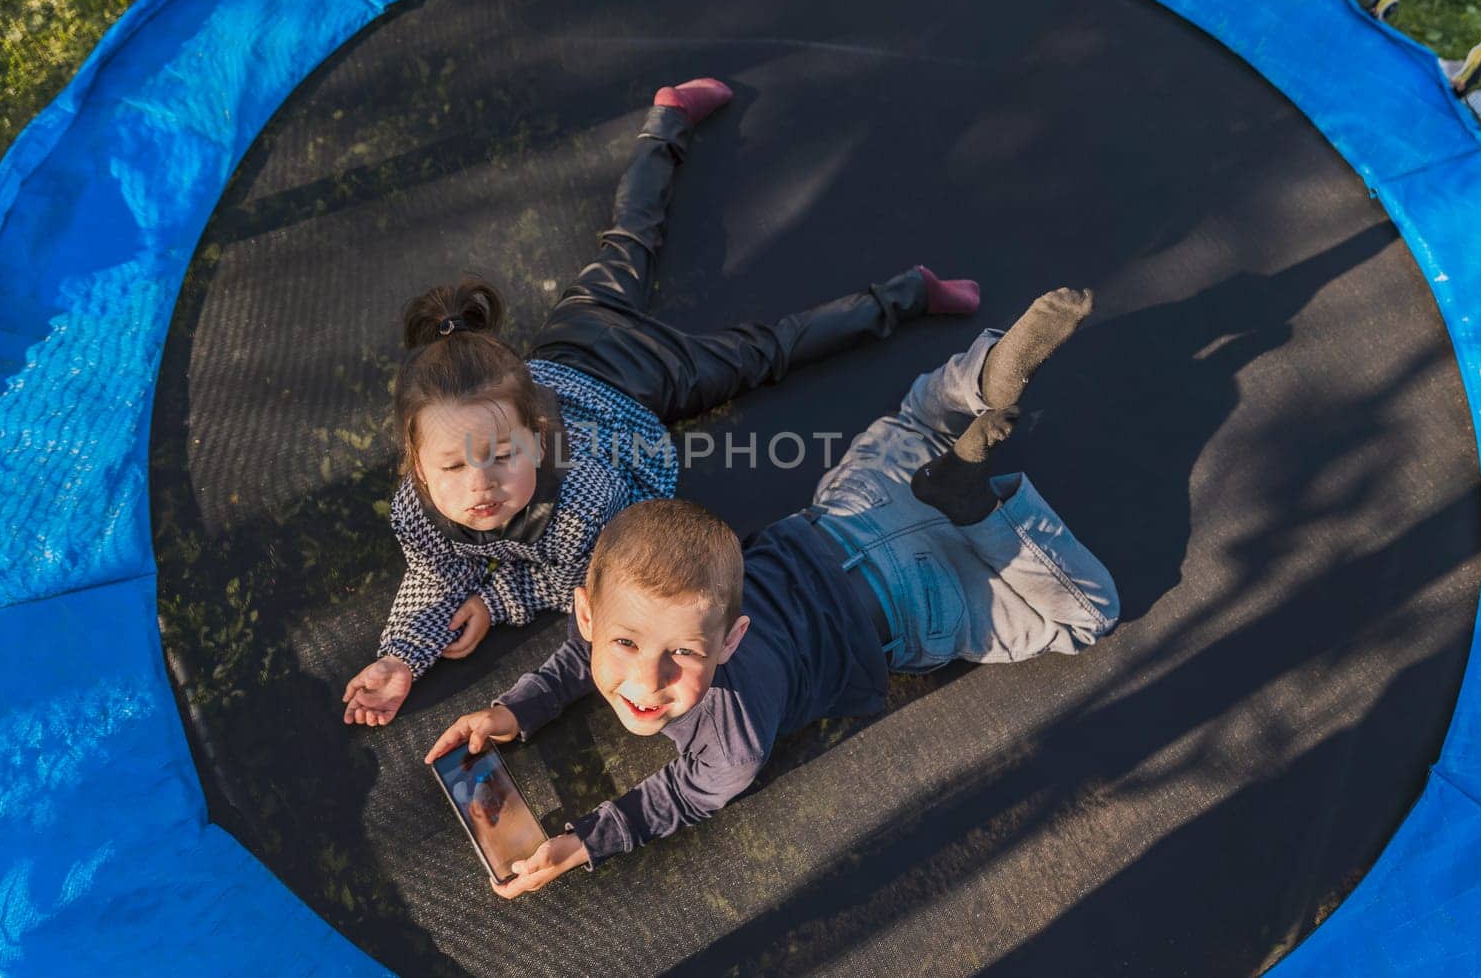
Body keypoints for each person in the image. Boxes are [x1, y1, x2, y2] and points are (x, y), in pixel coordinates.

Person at [425, 287, 1119, 896]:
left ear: (732, 640)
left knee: (1090, 616)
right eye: (627, 643)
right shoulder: (669, 624)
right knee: (915, 419)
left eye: (684, 657)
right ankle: (984, 377)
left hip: (917, 603)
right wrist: (511, 713)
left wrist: (587, 840)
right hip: (854, 512)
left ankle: (981, 510)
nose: (646, 681)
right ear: (587, 614)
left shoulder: (733, 739)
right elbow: (582, 658)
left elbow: (687, 795)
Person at [342, 77, 982, 726]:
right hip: (569, 346)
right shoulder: (418, 510)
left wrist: (493, 601)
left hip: (637, 380)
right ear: (418, 468)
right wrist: (400, 656)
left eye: (503, 455)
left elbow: (582, 585)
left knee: (757, 343)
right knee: (628, 243)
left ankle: (902, 292)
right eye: (452, 467)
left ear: (535, 437)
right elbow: (434, 567)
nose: (480, 484)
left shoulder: (585, 498)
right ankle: (672, 122)